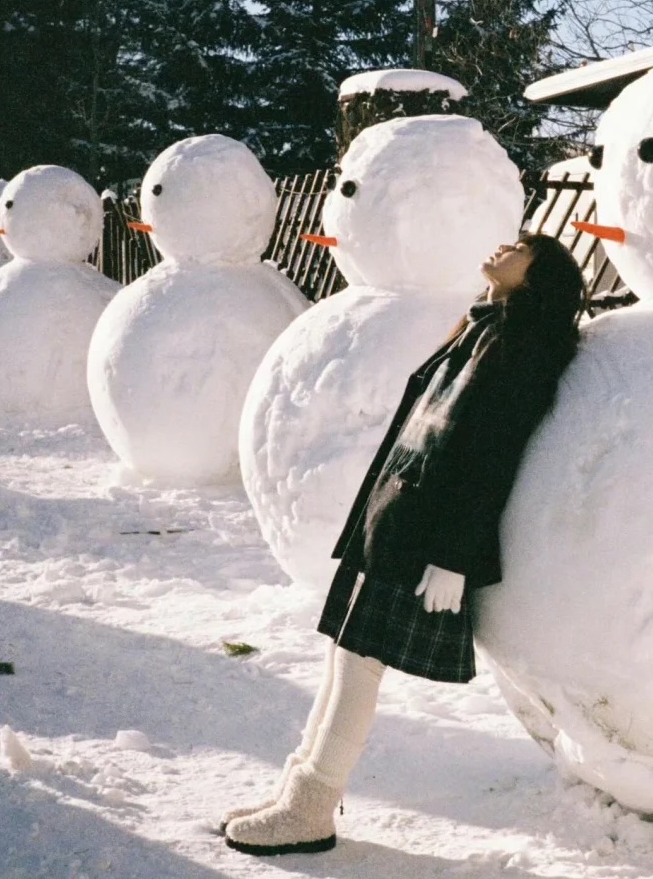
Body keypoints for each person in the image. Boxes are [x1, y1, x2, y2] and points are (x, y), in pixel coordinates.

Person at [221, 232, 586, 855]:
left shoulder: (531, 341)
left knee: (360, 664)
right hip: (399, 513)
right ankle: (299, 791)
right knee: (345, 653)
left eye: (519, 246)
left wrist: (454, 555)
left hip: (427, 530)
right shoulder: (485, 324)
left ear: (539, 272)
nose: (501, 246)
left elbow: (492, 452)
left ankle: (310, 808)